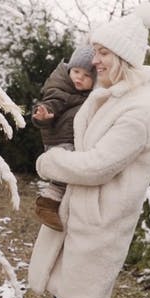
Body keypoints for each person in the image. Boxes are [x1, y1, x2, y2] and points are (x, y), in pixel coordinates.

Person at [27, 4, 150, 298]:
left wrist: (49, 163)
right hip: (77, 215)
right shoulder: (105, 94)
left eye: (103, 52)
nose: (94, 60)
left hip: (102, 222)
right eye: (94, 50)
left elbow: (98, 165)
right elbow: (78, 141)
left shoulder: (141, 109)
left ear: (123, 55)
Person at [31, 45, 96, 231]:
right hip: (59, 141)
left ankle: (57, 207)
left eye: (86, 76)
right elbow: (52, 102)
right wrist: (44, 114)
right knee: (63, 178)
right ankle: (46, 205)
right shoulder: (62, 88)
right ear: (69, 70)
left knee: (69, 179)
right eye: (76, 71)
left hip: (67, 138)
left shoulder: (84, 94)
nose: (79, 77)